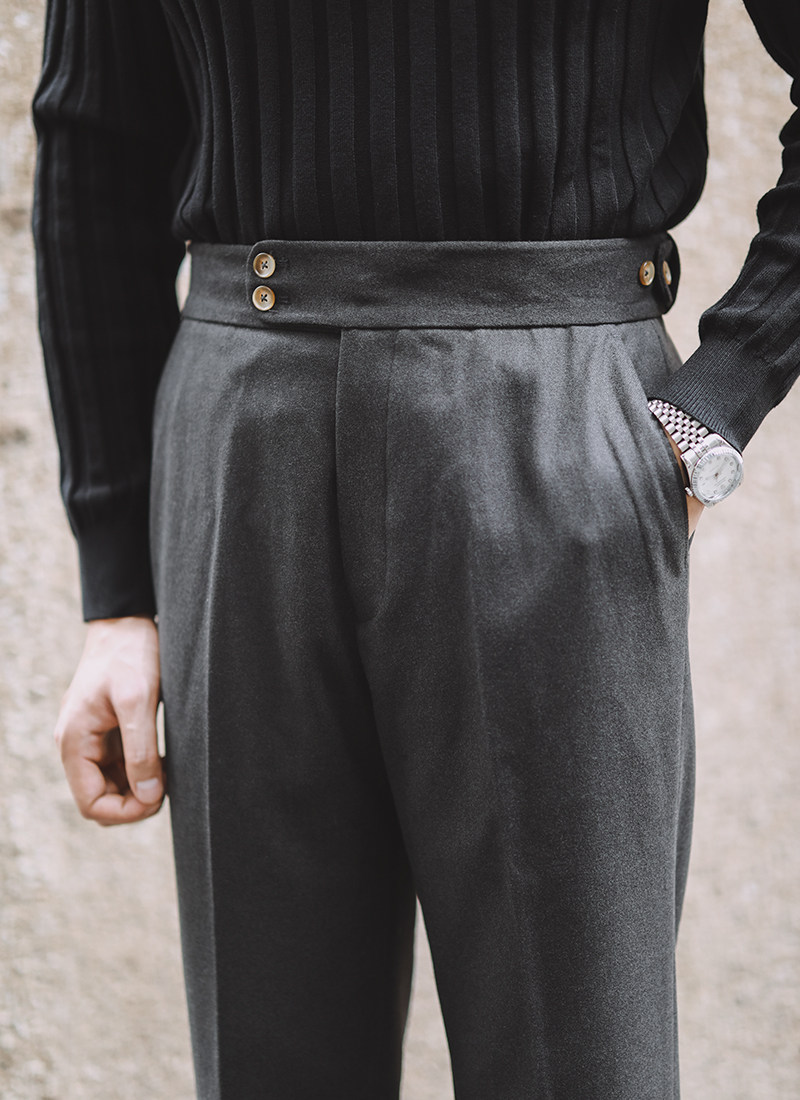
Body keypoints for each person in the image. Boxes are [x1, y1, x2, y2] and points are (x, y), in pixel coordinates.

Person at [29, 2, 798, 1097]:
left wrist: (717, 400)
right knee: (268, 1066)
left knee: (578, 1065)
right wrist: (118, 594)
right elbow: (95, 135)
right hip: (243, 425)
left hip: (552, 415)